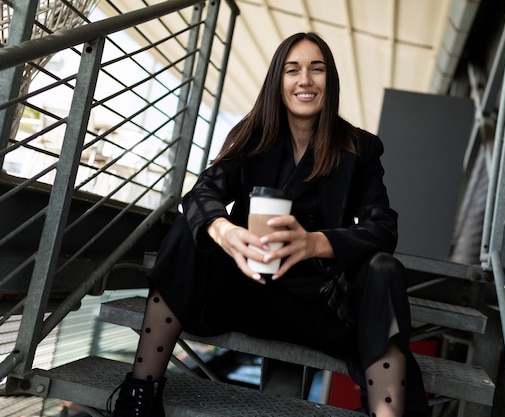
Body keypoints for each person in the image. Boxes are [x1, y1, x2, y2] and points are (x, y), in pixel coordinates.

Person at [108, 32, 431, 417]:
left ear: (331, 80)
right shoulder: (252, 137)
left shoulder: (359, 148)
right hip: (248, 291)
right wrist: (226, 232)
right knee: (192, 227)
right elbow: (200, 195)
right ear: (278, 81)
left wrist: (315, 243)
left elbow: (383, 229)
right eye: (292, 70)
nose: (305, 80)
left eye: (317, 69)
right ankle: (141, 391)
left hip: (322, 305)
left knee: (384, 269)